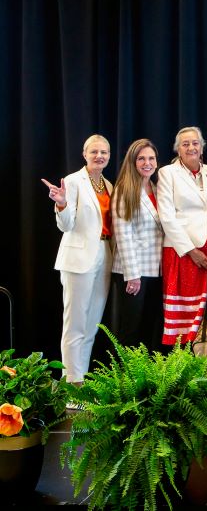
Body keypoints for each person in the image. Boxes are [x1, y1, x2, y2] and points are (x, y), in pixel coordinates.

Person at [41, 134, 113, 384]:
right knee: (75, 323)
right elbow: (66, 225)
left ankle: (80, 380)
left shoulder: (109, 185)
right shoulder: (73, 181)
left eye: (104, 152)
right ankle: (70, 383)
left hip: (105, 256)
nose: (99, 156)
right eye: (94, 152)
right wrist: (61, 204)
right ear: (84, 154)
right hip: (78, 258)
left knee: (92, 323)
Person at [157, 126, 207, 346]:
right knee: (185, 315)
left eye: (195, 143)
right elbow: (166, 216)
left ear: (202, 147)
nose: (191, 147)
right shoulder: (167, 173)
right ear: (178, 149)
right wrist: (191, 251)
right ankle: (181, 368)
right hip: (182, 250)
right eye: (185, 144)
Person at [108, 139, 163, 350]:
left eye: (151, 158)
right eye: (141, 158)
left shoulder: (158, 189)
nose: (147, 163)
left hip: (156, 270)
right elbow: (123, 234)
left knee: (150, 328)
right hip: (134, 273)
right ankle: (126, 380)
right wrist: (133, 274)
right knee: (131, 330)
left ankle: (145, 381)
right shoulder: (124, 190)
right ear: (133, 161)